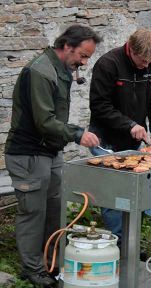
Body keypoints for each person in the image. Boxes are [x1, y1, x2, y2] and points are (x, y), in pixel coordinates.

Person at [4, 25, 102, 287]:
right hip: (27, 153)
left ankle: (52, 261)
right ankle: (33, 269)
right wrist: (78, 133)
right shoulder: (40, 71)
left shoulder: (63, 69)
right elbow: (44, 120)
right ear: (67, 45)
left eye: (87, 58)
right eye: (82, 55)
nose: (83, 62)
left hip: (50, 150)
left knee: (55, 208)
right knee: (33, 211)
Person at [89, 28, 151, 238]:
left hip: (132, 142)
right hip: (104, 139)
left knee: (136, 192)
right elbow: (99, 106)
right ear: (131, 49)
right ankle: (118, 243)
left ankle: (130, 242)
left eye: (150, 62)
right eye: (143, 60)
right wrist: (130, 125)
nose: (146, 65)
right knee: (114, 191)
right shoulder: (108, 64)